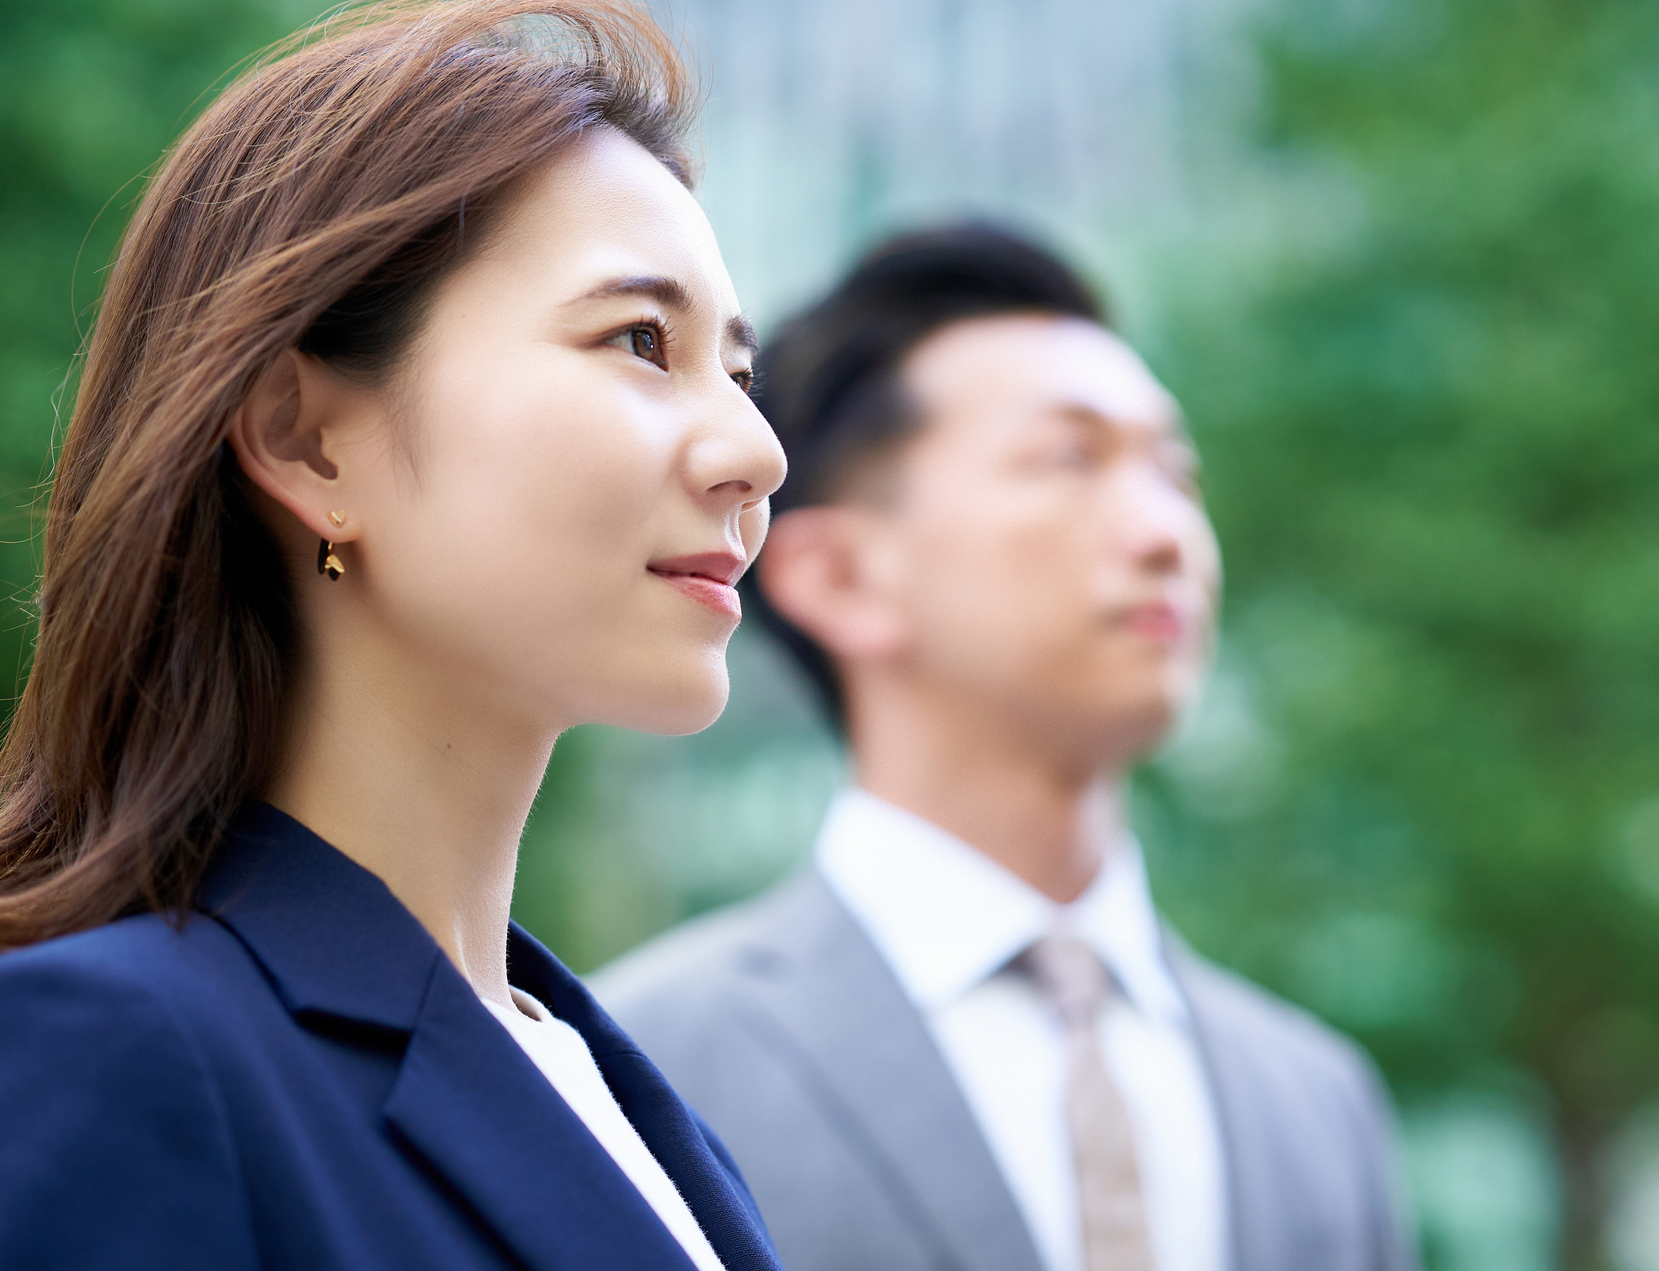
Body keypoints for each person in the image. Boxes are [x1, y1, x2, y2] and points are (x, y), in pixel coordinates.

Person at [0, 0, 788, 1271]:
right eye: (640, 339)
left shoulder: (643, 1117)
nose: (754, 450)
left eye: (742, 374)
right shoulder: (111, 1057)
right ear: (306, 439)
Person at [592, 224, 1417, 1271]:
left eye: (1178, 471)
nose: (1166, 532)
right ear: (841, 576)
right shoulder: (638, 1065)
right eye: (1070, 458)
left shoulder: (1316, 1098)